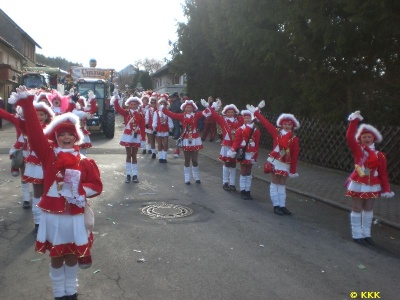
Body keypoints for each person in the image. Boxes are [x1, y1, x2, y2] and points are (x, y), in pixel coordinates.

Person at [9, 86, 103, 300]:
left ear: (76, 137)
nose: (66, 137)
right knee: (56, 257)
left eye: (70, 133)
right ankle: (59, 293)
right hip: (54, 216)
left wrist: (79, 191)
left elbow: (96, 186)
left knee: (71, 255)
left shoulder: (85, 161)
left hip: (75, 215)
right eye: (62, 134)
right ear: (56, 137)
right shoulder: (48, 155)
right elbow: (34, 132)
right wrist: (27, 105)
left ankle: (71, 291)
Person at [346, 111, 394, 245]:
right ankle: (356, 234)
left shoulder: (380, 155)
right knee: (357, 207)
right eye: (364, 137)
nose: (367, 139)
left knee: (369, 208)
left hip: (372, 184)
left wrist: (386, 189)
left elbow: (383, 173)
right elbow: (350, 137)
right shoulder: (358, 151)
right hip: (358, 182)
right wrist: (354, 121)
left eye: (369, 137)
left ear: (373, 139)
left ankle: (366, 234)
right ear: (360, 139)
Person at [249, 101, 300, 215]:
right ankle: (276, 205)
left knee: (282, 184)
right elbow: (266, 123)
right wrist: (256, 113)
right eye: (285, 124)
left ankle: (282, 205)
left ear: (292, 126)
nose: (287, 126)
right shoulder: (276, 133)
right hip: (276, 161)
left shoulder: (294, 139)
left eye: (289, 124)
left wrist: (293, 170)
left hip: (286, 162)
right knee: (274, 182)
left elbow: (295, 154)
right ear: (281, 125)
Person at [201, 99, 243, 191]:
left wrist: (256, 111)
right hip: (226, 145)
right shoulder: (223, 120)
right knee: (227, 163)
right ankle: (225, 182)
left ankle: (232, 184)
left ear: (235, 112)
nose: (230, 113)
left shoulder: (239, 121)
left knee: (233, 164)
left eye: (232, 112)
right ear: (226, 113)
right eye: (228, 112)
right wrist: (209, 107)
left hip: (235, 145)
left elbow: (249, 118)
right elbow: (215, 115)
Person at [162, 99, 205, 184]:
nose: (189, 109)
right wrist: (162, 107)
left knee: (195, 159)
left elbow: (205, 112)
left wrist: (209, 106)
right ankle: (187, 178)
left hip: (195, 139)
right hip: (186, 139)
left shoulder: (196, 115)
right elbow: (171, 114)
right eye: (187, 107)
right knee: (187, 159)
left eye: (190, 107)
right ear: (184, 108)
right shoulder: (182, 116)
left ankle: (196, 177)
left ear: (193, 108)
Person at [112, 90, 145, 183]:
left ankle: (135, 174)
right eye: (131, 104)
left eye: (135, 104)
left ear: (137, 105)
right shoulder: (126, 113)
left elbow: (142, 127)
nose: (133, 106)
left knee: (134, 155)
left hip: (136, 136)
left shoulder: (141, 115)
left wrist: (143, 139)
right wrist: (115, 99)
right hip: (127, 136)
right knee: (128, 155)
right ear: (128, 105)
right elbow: (117, 108)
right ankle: (128, 174)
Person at [227, 110, 261, 200]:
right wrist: (233, 150)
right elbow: (236, 141)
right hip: (243, 152)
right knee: (243, 170)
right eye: (245, 118)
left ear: (252, 119)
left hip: (251, 152)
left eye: (248, 118)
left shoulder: (256, 130)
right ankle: (243, 190)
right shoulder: (240, 129)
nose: (246, 119)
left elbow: (257, 143)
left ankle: (248, 190)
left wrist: (255, 154)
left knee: (249, 171)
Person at [153, 96, 174, 163]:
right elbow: (155, 121)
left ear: (166, 104)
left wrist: (170, 129)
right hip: (159, 129)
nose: (163, 105)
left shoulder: (168, 112)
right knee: (159, 143)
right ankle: (160, 157)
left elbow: (170, 121)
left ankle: (164, 157)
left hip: (166, 129)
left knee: (165, 143)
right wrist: (154, 129)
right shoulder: (156, 112)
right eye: (161, 103)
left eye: (164, 103)